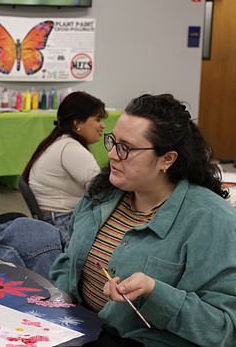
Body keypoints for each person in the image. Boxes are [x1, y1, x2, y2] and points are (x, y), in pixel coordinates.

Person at [49, 94, 236, 346]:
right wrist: (60, 303)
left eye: (126, 148)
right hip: (78, 327)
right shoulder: (103, 192)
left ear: (167, 159)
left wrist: (153, 292)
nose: (113, 155)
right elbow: (68, 259)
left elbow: (222, 328)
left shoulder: (210, 220)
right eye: (113, 141)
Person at [21, 91, 106, 242]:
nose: (102, 126)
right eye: (97, 119)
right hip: (62, 223)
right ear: (77, 123)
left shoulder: (59, 142)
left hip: (53, 220)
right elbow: (103, 191)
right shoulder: (71, 148)